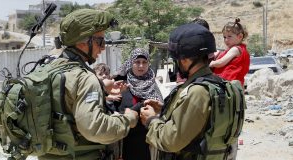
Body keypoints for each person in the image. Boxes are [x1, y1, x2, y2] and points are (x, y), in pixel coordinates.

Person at [39, 9, 138, 160]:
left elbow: (65, 101)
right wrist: (127, 119)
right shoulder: (84, 78)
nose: (103, 47)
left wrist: (102, 88)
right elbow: (94, 129)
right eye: (100, 41)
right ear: (83, 41)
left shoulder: (49, 68)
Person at [140, 23, 243, 160]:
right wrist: (165, 110)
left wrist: (151, 120)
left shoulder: (197, 92)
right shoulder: (220, 85)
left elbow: (172, 141)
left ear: (185, 60)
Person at [115, 48, 163, 160]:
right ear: (131, 63)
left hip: (148, 140)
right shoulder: (121, 83)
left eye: (144, 62)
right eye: (137, 62)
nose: (141, 66)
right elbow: (113, 109)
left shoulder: (153, 84)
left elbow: (161, 110)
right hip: (125, 140)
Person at [210, 18, 250, 87]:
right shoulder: (241, 49)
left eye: (229, 36)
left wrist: (211, 63)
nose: (226, 40)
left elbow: (221, 62)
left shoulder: (235, 49)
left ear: (240, 36)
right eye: (224, 37)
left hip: (227, 82)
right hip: (234, 84)